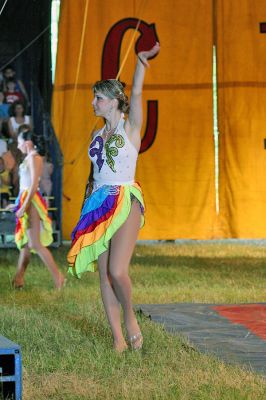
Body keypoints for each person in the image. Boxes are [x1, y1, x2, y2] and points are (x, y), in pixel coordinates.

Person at [67, 42, 160, 352]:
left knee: (118, 271)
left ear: (112, 102)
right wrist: (84, 208)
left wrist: (140, 62)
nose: (93, 102)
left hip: (126, 197)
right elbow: (93, 176)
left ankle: (131, 320)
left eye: (98, 98)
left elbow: (135, 95)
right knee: (105, 275)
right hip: (98, 202)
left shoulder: (130, 127)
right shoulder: (96, 136)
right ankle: (118, 340)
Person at [5, 127, 65, 289]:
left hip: (32, 203)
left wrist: (24, 206)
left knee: (35, 244)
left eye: (19, 143)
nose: (18, 146)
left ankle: (58, 277)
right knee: (26, 243)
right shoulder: (29, 158)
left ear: (28, 142)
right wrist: (17, 204)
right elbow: (24, 187)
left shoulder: (34, 158)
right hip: (26, 201)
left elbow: (33, 186)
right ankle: (18, 279)